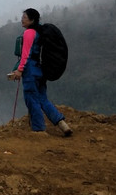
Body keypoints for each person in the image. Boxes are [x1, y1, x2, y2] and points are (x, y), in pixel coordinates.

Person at [7, 8, 72, 136]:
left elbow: (26, 55)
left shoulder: (29, 33)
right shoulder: (39, 32)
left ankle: (38, 129)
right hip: (40, 69)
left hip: (30, 70)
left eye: (25, 17)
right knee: (42, 98)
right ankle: (61, 123)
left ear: (31, 20)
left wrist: (19, 70)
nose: (22, 19)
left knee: (31, 99)